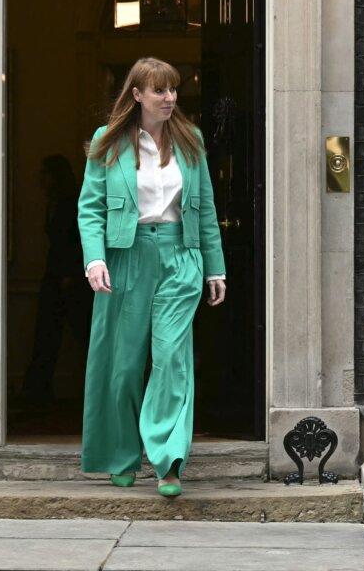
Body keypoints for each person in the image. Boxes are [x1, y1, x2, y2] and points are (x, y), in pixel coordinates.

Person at [76, 57, 227, 498]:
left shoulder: (190, 138)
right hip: (126, 256)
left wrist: (214, 266)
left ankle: (168, 460)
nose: (170, 98)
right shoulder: (109, 141)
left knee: (172, 360)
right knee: (122, 366)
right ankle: (120, 455)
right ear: (137, 95)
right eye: (160, 91)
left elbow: (207, 208)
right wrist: (94, 259)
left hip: (181, 257)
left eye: (174, 90)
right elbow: (90, 209)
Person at [20, 155, 91, 405]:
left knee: (80, 336)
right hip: (55, 277)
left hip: (70, 280)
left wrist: (70, 275)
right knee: (48, 335)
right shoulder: (54, 203)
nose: (41, 179)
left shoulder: (70, 204)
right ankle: (38, 390)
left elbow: (75, 243)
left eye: (45, 173)